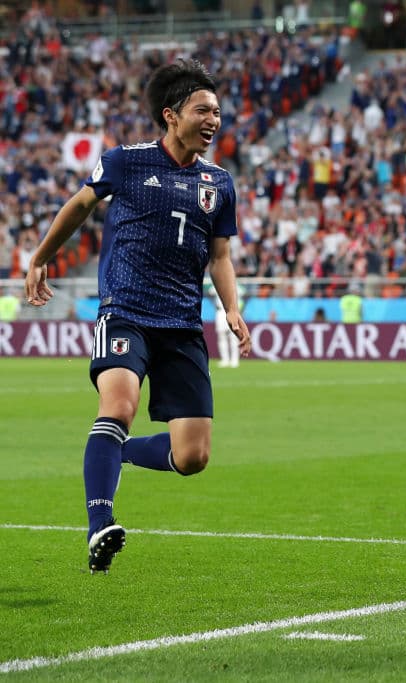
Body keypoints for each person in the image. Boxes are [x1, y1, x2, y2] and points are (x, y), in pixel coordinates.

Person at [23, 59, 251, 574]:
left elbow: (220, 256)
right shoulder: (126, 162)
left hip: (183, 325)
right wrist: (40, 257)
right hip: (126, 312)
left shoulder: (219, 182)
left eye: (217, 111)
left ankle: (118, 453)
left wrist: (232, 308)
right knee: (119, 406)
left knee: (192, 456)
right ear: (171, 115)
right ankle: (99, 523)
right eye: (203, 110)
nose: (214, 120)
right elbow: (80, 205)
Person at [212, 283, 244, 368]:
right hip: (220, 312)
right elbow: (210, 291)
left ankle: (234, 360)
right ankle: (225, 359)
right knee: (221, 337)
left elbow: (241, 296)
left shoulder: (237, 286)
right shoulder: (216, 284)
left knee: (234, 337)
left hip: (232, 311)